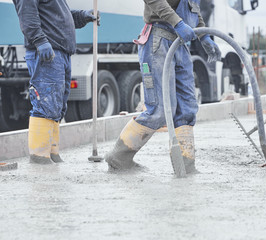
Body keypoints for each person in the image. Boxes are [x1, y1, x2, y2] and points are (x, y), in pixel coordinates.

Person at [105, 0, 221, 173]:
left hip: (180, 44)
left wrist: (203, 35)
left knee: (187, 109)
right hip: (158, 41)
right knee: (159, 110)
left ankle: (185, 166)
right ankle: (119, 157)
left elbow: (193, 7)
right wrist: (179, 23)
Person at [12, 0, 99, 164]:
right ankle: (40, 157)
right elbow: (28, 15)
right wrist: (40, 40)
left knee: (57, 105)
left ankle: (52, 153)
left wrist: (82, 16)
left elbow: (57, 17)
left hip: (60, 52)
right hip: (48, 51)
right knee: (46, 103)